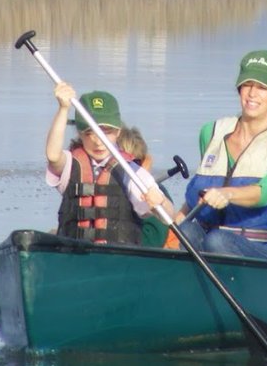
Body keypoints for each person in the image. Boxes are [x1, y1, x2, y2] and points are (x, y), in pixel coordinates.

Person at [174, 49, 267, 260]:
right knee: (186, 230)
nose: (252, 94)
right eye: (247, 85)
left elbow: (266, 192)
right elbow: (198, 197)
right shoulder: (210, 132)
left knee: (218, 240)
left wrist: (228, 194)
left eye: (262, 87)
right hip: (207, 240)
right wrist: (174, 222)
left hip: (260, 249)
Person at [45, 82, 175, 245]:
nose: (98, 141)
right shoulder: (70, 164)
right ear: (79, 132)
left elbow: (168, 216)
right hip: (74, 256)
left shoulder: (131, 172)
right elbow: (53, 156)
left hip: (118, 258)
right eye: (89, 133)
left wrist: (160, 202)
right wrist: (63, 109)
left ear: (118, 132)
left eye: (106, 132)